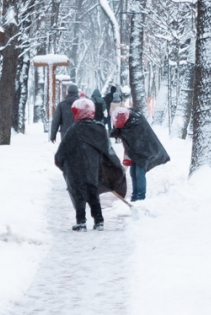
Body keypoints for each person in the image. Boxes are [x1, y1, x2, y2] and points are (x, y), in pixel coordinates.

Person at [55, 97, 127, 231]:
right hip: (93, 169)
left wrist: (60, 163)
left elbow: (62, 151)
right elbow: (107, 150)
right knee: (93, 193)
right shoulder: (100, 129)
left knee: (78, 194)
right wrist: (113, 165)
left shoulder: (73, 130)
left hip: (75, 168)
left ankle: (81, 222)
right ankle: (99, 221)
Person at [108, 95, 170, 202]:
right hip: (136, 151)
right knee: (133, 172)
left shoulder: (136, 123)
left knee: (139, 173)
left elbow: (133, 144)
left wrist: (127, 161)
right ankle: (135, 196)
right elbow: (123, 137)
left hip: (144, 150)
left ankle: (140, 197)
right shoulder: (127, 121)